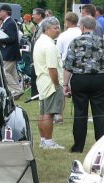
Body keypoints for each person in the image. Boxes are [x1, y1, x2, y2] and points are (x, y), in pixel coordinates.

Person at [63, 16, 104, 153]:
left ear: (82, 27)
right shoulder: (103, 42)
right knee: (100, 114)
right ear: (94, 27)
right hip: (99, 79)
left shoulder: (75, 42)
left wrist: (65, 84)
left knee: (80, 113)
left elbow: (68, 66)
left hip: (80, 79)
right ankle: (101, 146)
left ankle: (78, 146)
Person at [33, 16, 63, 148]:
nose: (58, 30)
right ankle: (49, 141)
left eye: (59, 27)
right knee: (49, 114)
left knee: (43, 112)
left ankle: (44, 140)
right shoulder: (49, 45)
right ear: (46, 29)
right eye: (55, 28)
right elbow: (52, 68)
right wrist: (57, 84)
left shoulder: (40, 41)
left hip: (42, 81)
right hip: (50, 83)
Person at [0, 6, 23, 98]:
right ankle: (17, 91)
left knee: (4, 72)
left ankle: (17, 90)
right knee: (12, 73)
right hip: (9, 52)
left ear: (5, 12)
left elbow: (13, 38)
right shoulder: (7, 22)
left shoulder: (10, 23)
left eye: (0, 11)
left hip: (9, 53)